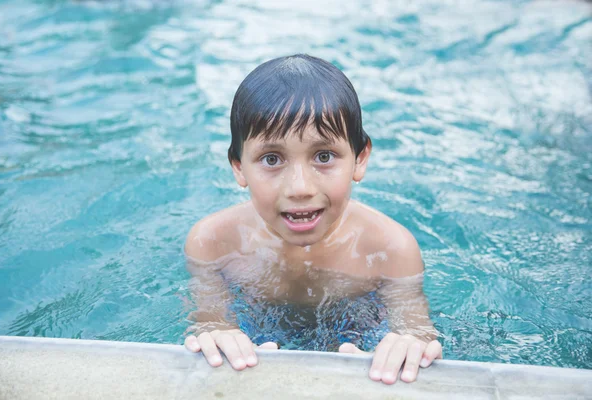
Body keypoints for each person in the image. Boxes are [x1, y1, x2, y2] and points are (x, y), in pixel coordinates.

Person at [184, 54, 442, 385]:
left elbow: (416, 332)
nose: (300, 188)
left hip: (356, 333)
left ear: (359, 159)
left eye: (324, 156)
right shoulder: (211, 242)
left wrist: (409, 347)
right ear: (238, 166)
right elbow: (210, 325)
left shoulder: (391, 249)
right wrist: (215, 335)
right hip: (258, 333)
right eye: (272, 159)